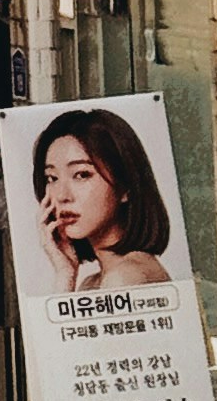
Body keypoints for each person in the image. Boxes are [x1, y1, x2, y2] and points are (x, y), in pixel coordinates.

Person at [31, 105, 172, 289]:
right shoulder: (92, 283)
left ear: (125, 186)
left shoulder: (124, 277)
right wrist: (64, 273)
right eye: (52, 178)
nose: (62, 196)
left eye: (82, 174)